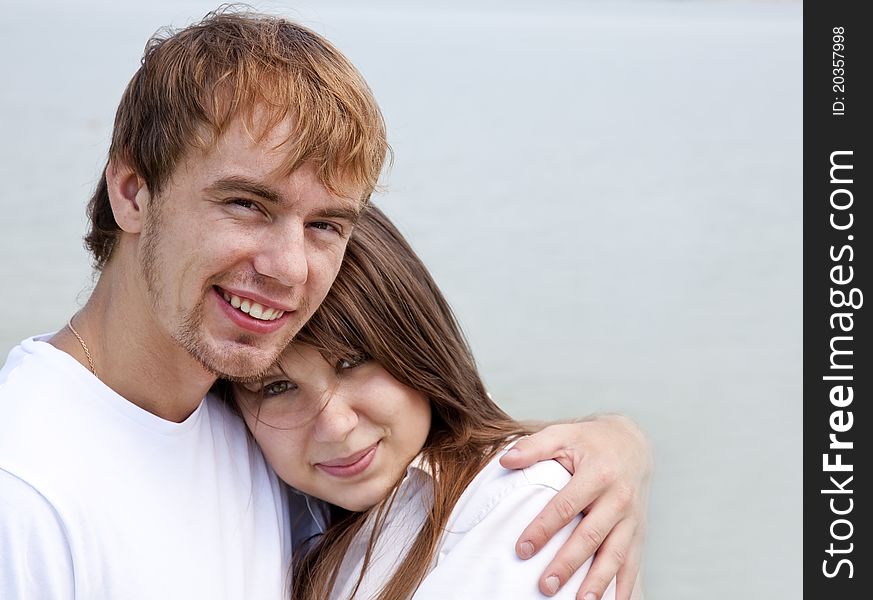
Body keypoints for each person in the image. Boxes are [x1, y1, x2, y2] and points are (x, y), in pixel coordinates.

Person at [0, 8, 650, 600]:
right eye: (247, 204)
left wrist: (617, 444)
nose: (288, 269)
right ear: (133, 191)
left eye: (326, 226)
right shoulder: (24, 488)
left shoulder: (244, 426)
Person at [232, 206, 646, 600]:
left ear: (417, 345)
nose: (335, 425)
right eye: (276, 388)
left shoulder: (527, 508)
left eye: (352, 362)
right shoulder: (282, 513)